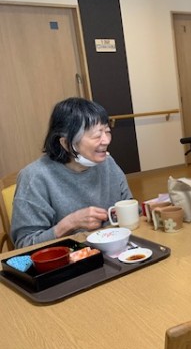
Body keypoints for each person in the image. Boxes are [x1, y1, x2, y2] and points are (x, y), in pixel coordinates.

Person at [11, 98, 132, 248]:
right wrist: (70, 223)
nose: (106, 140)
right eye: (96, 135)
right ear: (66, 143)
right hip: (70, 257)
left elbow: (130, 208)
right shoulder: (35, 177)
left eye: (107, 131)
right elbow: (24, 244)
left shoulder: (108, 163)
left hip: (115, 250)